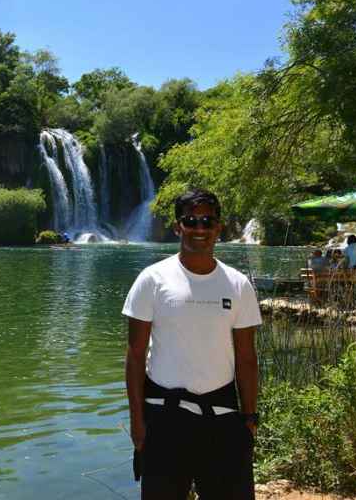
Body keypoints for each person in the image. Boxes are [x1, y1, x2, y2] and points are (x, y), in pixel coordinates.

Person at [124, 188, 261, 500]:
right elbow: (134, 354)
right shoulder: (152, 279)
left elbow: (246, 357)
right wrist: (137, 422)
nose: (200, 229)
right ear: (178, 227)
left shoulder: (238, 284)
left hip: (223, 415)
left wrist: (249, 418)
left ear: (218, 227)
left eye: (207, 222)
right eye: (191, 221)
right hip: (164, 417)